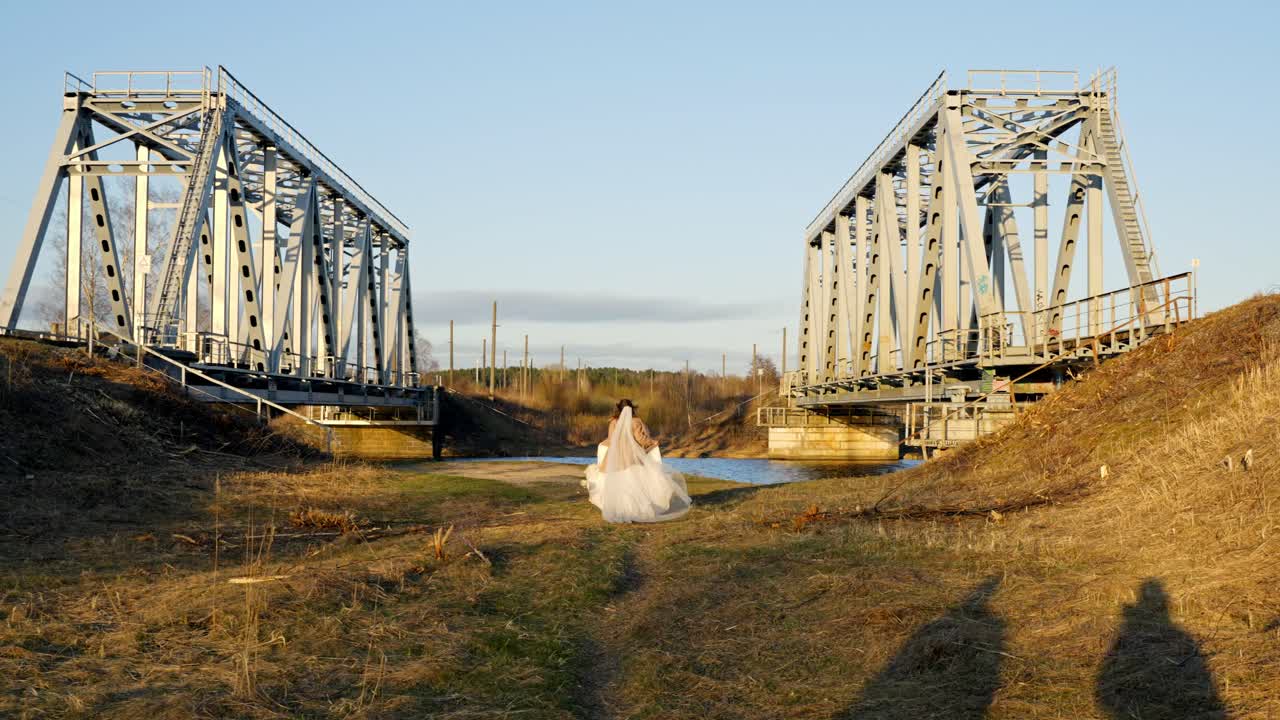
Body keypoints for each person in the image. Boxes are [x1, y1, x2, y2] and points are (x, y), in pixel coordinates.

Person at [584, 399, 691, 523]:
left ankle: (618, 509)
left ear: (619, 409)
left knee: (618, 482)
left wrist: (604, 445)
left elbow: (611, 439)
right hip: (631, 456)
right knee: (633, 483)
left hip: (614, 456)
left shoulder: (613, 422)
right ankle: (634, 510)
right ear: (632, 408)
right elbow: (641, 439)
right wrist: (652, 442)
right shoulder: (636, 421)